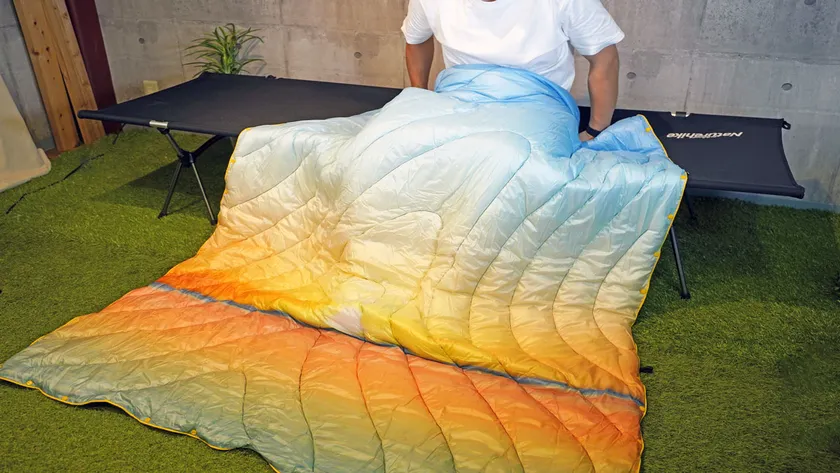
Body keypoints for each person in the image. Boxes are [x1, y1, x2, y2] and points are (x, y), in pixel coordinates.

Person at [401, 0, 624, 142]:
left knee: (505, 162)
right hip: (460, 103)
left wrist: (595, 131)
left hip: (536, 108)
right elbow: (416, 40)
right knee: (399, 144)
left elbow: (605, 59)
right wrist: (420, 97)